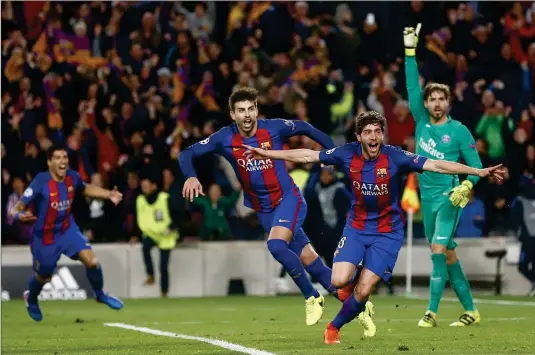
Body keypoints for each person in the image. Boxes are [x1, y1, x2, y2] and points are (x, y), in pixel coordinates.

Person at [243, 111, 504, 343]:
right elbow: (309, 155)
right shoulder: (346, 154)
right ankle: (356, 297)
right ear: (359, 136)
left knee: (364, 290)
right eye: (367, 132)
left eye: (378, 131)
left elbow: (436, 164)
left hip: (387, 232)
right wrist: (268, 153)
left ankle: (334, 327)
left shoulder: (395, 156)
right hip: (356, 228)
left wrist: (476, 172)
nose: (373, 136)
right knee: (338, 280)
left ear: (382, 135)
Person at [179, 87, 356, 326]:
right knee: (310, 260)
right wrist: (190, 176)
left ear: (256, 110)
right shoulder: (224, 138)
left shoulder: (273, 127)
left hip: (288, 199)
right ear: (232, 115)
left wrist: (330, 154)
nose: (247, 115)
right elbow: (186, 153)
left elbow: (304, 127)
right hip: (263, 210)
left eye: (251, 109)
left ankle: (312, 297)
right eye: (241, 110)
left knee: (275, 245)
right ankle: (357, 306)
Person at [404, 24, 485, 327]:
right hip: (426, 199)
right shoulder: (422, 121)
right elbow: (412, 86)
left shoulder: (459, 131)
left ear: (448, 103)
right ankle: (471, 310)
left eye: (441, 99)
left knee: (438, 250)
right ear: (425, 104)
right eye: (431, 99)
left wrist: (466, 183)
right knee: (447, 255)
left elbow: (476, 167)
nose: (436, 103)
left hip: (450, 198)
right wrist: (410, 53)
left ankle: (431, 312)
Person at [10, 145, 124, 322]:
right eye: (57, 158)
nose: (62, 161)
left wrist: (109, 194)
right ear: (49, 162)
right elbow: (16, 208)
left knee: (92, 261)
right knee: (44, 276)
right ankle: (31, 298)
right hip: (45, 236)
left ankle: (100, 295)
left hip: (66, 229)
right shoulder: (41, 181)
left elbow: (85, 188)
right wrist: (19, 215)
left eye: (64, 157)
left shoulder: (72, 177)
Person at [136, 174, 180, 298]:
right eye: (142, 186)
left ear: (154, 186)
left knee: (163, 265)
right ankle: (150, 275)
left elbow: (178, 215)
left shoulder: (165, 198)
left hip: (166, 235)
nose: (144, 188)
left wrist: (171, 227)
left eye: (146, 186)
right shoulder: (140, 200)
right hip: (151, 233)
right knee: (145, 247)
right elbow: (138, 219)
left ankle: (164, 292)